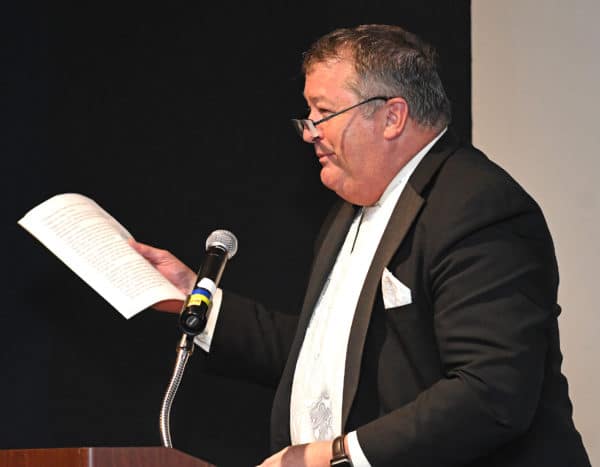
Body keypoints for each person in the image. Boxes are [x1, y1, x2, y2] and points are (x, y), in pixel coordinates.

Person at [131, 24, 590, 467]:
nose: (309, 131)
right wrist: (194, 300)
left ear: (392, 117)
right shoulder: (351, 209)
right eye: (308, 115)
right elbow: (324, 355)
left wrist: (336, 455)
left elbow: (491, 392)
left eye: (323, 113)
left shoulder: (476, 206)